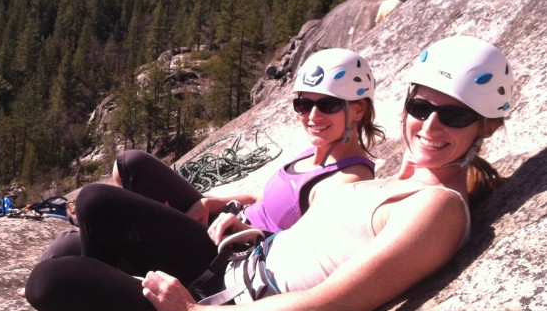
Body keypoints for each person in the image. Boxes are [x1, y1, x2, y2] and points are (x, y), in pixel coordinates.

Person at [23, 35, 512, 311]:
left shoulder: (437, 209)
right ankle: (115, 290)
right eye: (421, 108)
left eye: (454, 115)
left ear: (484, 127)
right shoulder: (389, 180)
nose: (429, 126)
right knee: (97, 201)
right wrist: (251, 231)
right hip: (229, 267)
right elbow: (312, 242)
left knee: (52, 282)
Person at [39, 48, 383, 260]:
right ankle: (121, 245)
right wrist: (208, 203)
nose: (312, 116)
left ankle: (116, 256)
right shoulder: (319, 151)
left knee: (82, 222)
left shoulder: (350, 179)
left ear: (357, 110)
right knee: (130, 164)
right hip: (225, 219)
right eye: (303, 103)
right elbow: (262, 197)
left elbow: (312, 252)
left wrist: (248, 233)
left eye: (328, 105)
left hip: (227, 250)